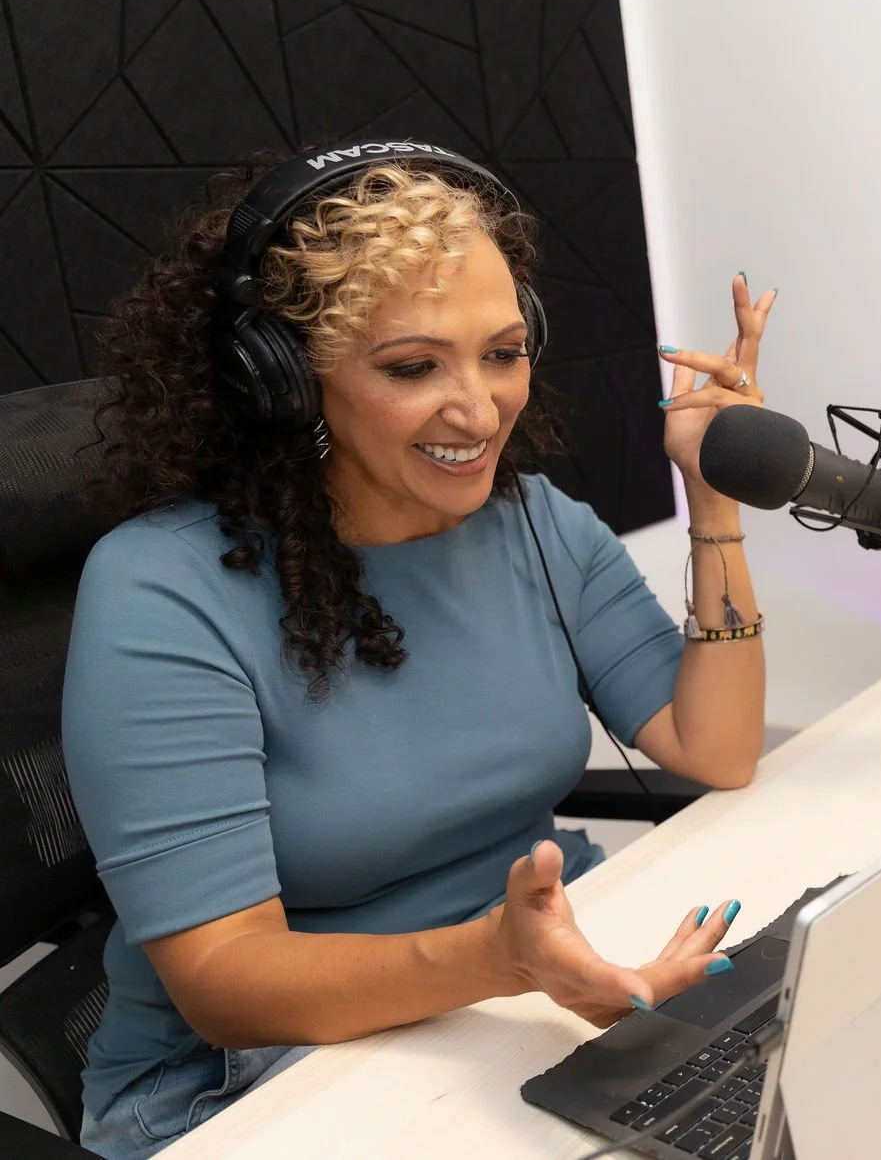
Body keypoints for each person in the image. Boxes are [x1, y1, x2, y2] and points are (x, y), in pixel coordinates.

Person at [61, 148, 774, 1158]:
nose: (479, 411)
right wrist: (497, 957)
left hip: (517, 1003)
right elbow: (223, 982)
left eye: (502, 352)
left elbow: (715, 747)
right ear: (287, 383)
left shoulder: (536, 523)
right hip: (246, 1088)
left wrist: (714, 503)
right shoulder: (161, 592)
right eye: (412, 367)